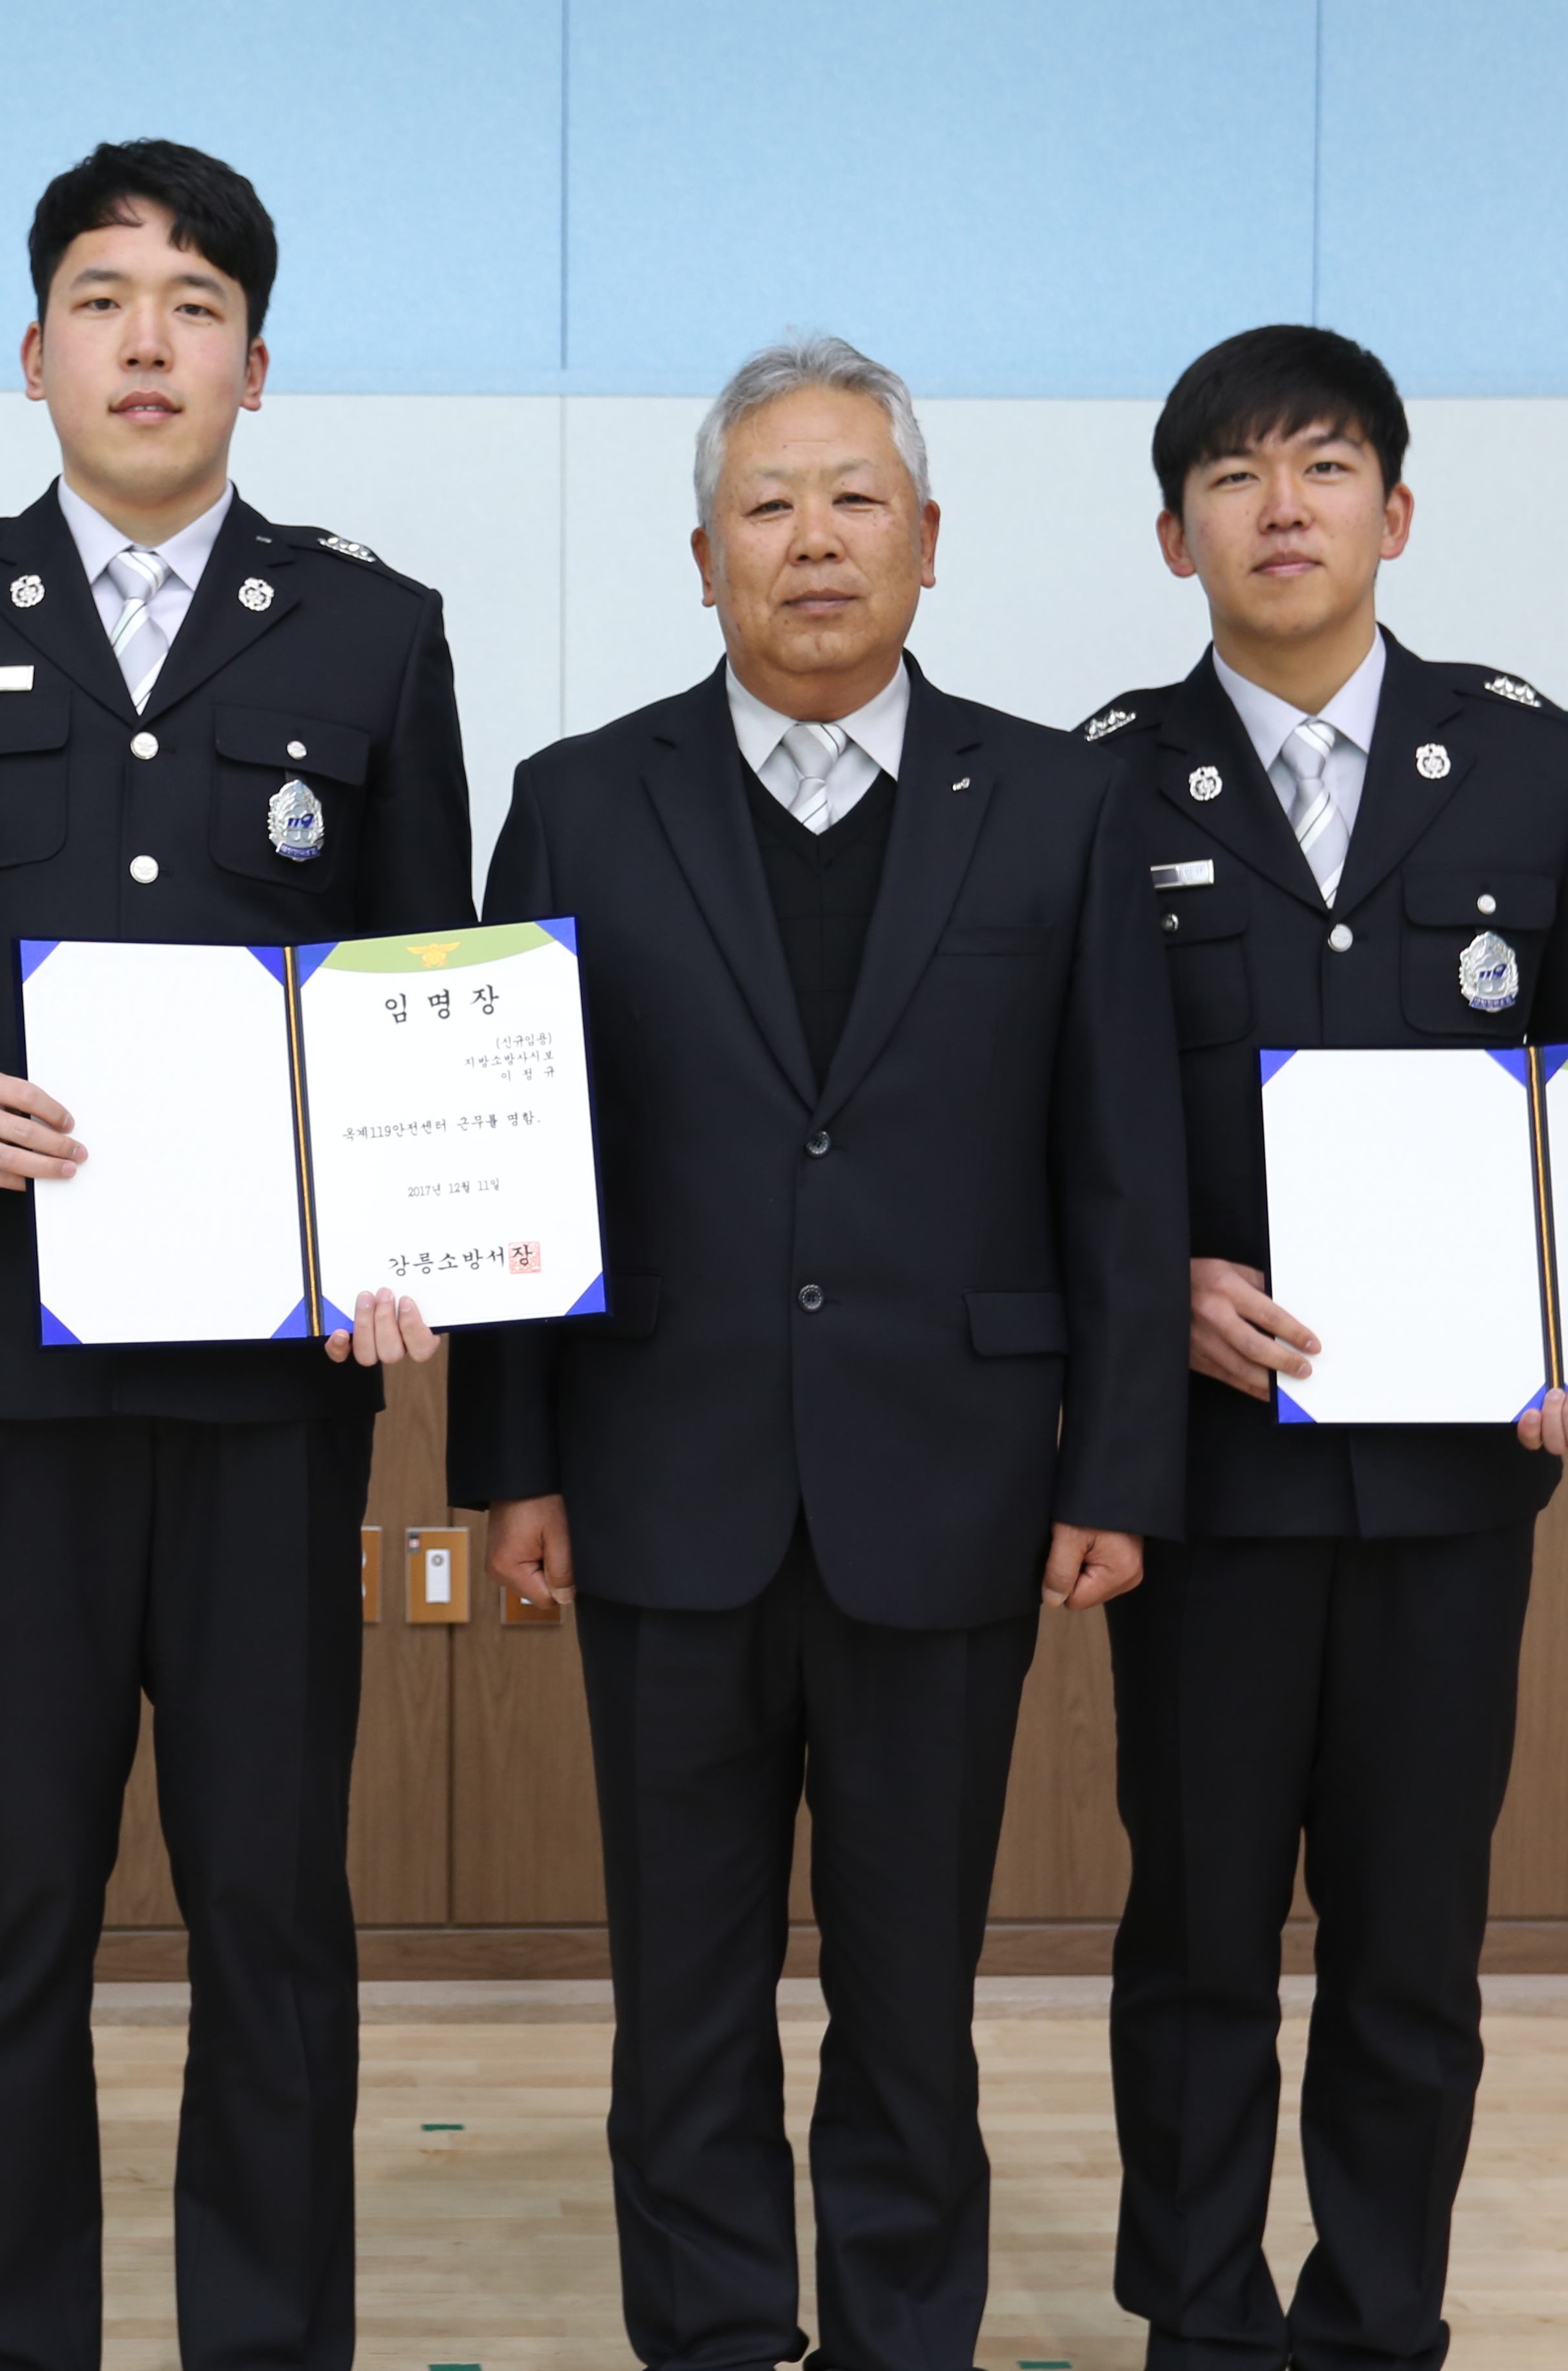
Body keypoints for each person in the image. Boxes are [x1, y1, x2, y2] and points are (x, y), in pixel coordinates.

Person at [0, 141, 473, 2371]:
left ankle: (267, 2342)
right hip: (7, 1379)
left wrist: (409, 1230)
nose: (148, 341)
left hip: (272, 1400)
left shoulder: (372, 630)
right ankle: (19, 2342)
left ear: (258, 363)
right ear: (34, 351)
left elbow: (424, 990)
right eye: (103, 299)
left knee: (272, 1909)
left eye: (195, 305)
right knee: (11, 1907)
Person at [445, 335, 1188, 2371]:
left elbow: (1124, 1165)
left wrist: (1117, 1467)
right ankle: (706, 2331)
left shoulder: (1060, 804)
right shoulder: (582, 804)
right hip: (659, 1479)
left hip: (953, 1487)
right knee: (680, 1984)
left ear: (928, 539)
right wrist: (513, 1461)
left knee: (912, 1986)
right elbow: (516, 1158)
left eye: (855, 498)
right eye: (766, 505)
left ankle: (901, 2337)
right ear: (704, 558)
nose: (814, 539)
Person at [1083, 323, 1568, 2371]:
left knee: (1413, 1943)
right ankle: (1202, 2320)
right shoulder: (1092, 787)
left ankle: (1380, 2318)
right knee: (1197, 1936)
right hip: (1211, 1476)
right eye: (1234, 476)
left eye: (1324, 467)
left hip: (1445, 1486)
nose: (1284, 508)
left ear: (1395, 513)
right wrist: (1154, 1287)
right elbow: (1056, 1125)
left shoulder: (1537, 769)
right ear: (1175, 536)